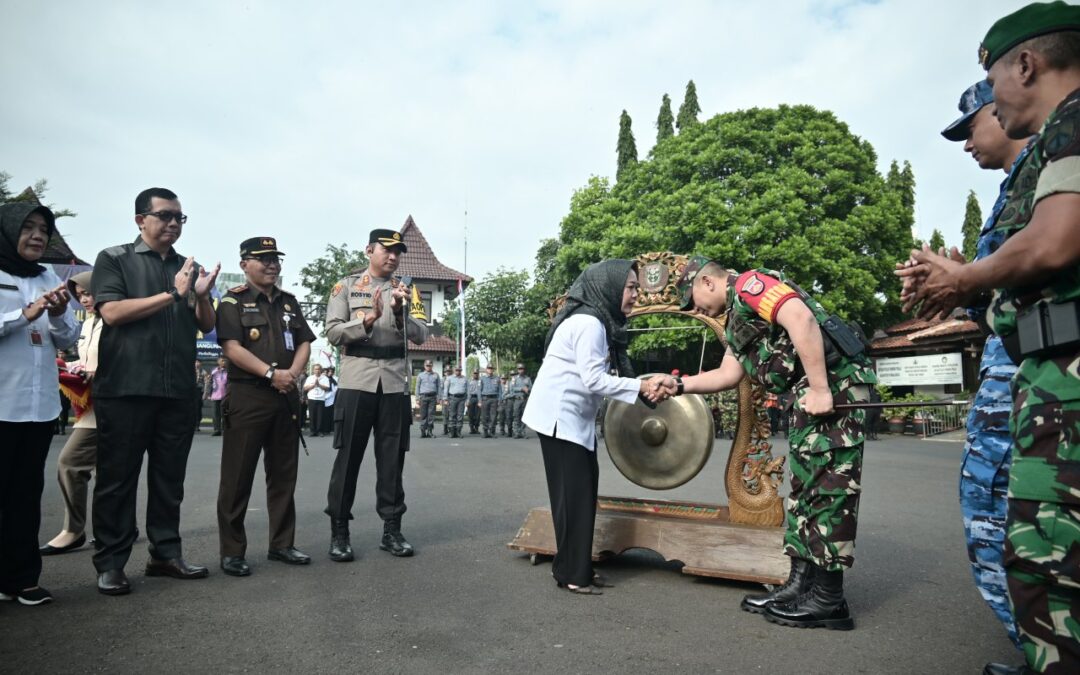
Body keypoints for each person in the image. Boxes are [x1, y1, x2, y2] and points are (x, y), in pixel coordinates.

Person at [898, 6, 1080, 671]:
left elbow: (1056, 241)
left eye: (990, 89)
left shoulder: (1071, 126)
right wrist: (965, 284)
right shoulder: (1045, 153)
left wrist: (966, 276)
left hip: (1059, 385)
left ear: (1024, 66)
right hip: (1040, 374)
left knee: (1042, 555)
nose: (983, 126)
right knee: (1038, 558)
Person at [652, 256, 877, 629]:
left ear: (707, 282)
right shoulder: (737, 318)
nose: (695, 309)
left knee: (829, 489)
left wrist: (821, 388)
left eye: (692, 300)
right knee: (805, 490)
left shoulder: (750, 286)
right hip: (809, 396)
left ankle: (829, 600)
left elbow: (800, 318)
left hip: (832, 391)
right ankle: (799, 585)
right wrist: (679, 385)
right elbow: (728, 373)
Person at [90, 187, 220, 596]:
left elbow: (205, 324)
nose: (173, 224)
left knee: (169, 480)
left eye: (180, 218)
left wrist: (199, 297)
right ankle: (111, 562)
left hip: (177, 390)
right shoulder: (115, 259)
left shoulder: (187, 266)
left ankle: (165, 554)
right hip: (126, 388)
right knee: (117, 480)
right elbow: (111, 312)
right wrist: (173, 293)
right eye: (165, 216)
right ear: (140, 220)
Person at [941, 78, 1031, 651]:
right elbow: (1005, 303)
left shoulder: (1048, 180)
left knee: (997, 519)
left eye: (970, 127)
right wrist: (965, 289)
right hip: (1012, 378)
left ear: (1001, 110)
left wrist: (968, 278)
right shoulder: (1012, 191)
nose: (966, 143)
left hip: (1029, 387)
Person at [522, 259, 655, 595]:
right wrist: (641, 387)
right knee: (573, 498)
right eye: (630, 287)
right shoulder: (589, 323)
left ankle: (574, 565)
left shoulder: (597, 322)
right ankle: (572, 572)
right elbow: (594, 379)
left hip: (571, 421)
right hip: (559, 419)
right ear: (608, 288)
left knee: (579, 497)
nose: (635, 295)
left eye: (637, 288)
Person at [324, 228, 430, 561]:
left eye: (398, 252)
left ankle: (392, 529)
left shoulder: (407, 290)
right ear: (369, 250)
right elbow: (332, 331)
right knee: (348, 459)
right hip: (357, 381)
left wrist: (399, 313)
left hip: (395, 384)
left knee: (392, 461)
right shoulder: (347, 286)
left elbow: (422, 336)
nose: (394, 256)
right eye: (387, 250)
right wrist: (367, 321)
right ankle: (339, 532)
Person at [214, 237, 316, 577]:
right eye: (263, 259)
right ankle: (232, 551)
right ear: (244, 264)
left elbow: (304, 342)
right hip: (249, 395)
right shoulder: (233, 301)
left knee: (284, 474)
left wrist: (292, 375)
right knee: (237, 476)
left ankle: (282, 544)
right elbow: (231, 347)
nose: (271, 265)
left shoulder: (289, 302)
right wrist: (272, 373)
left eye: (275, 259)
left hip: (285, 395)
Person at [0, 203, 79, 605]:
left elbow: (66, 339)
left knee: (25, 496)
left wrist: (62, 314)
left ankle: (22, 579)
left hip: (39, 405)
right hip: (2, 402)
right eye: (28, 227)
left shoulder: (48, 276)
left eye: (43, 229)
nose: (37, 235)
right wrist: (24, 313)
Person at [41, 271, 101, 557]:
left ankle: (74, 531)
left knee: (69, 463)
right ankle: (114, 528)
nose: (85, 299)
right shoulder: (89, 323)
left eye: (89, 293)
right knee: (108, 472)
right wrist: (73, 367)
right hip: (90, 405)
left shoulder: (117, 321)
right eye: (80, 295)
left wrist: (93, 372)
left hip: (109, 405)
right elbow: (89, 358)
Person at [415, 360, 440, 438]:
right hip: (423, 397)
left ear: (432, 366)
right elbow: (417, 387)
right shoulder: (420, 375)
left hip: (433, 397)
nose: (428, 367)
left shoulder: (436, 375)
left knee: (431, 415)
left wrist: (438, 398)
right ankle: (423, 431)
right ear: (424, 366)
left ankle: (430, 431)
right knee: (423, 415)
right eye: (427, 365)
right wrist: (417, 398)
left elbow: (439, 387)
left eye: (430, 365)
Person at [303, 364, 329, 437]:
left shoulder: (325, 378)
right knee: (312, 415)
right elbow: (305, 388)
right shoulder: (309, 378)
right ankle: (312, 431)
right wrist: (313, 385)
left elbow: (327, 388)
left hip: (321, 399)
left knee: (320, 416)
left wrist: (319, 385)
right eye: (315, 369)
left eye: (318, 369)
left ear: (321, 370)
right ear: (313, 370)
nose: (317, 371)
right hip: (312, 398)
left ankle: (319, 431)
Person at [508, 363, 532, 439]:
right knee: (516, 416)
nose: (521, 370)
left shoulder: (528, 379)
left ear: (524, 370)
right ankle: (516, 432)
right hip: (517, 400)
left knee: (523, 416)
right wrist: (521, 389)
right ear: (517, 370)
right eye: (519, 369)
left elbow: (531, 389)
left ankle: (523, 432)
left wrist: (528, 390)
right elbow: (512, 389)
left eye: (522, 369)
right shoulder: (514, 378)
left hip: (524, 400)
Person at [443, 365, 468, 438]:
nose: (458, 371)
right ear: (454, 370)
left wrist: (467, 400)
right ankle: (451, 432)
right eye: (457, 370)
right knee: (452, 415)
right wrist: (445, 399)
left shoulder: (465, 379)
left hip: (462, 399)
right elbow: (446, 389)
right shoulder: (449, 378)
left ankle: (458, 432)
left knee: (460, 416)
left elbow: (467, 390)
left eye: (459, 370)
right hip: (452, 398)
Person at [479, 364, 501, 438]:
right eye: (489, 368)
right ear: (486, 369)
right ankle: (485, 431)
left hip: (494, 399)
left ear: (493, 369)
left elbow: (500, 390)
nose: (490, 369)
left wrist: (500, 400)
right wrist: (479, 401)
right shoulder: (482, 378)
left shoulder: (497, 378)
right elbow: (479, 390)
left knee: (493, 416)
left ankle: (492, 431)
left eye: (491, 368)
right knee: (484, 416)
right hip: (485, 399)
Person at [208, 357, 228, 436]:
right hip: (215, 395)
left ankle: (224, 430)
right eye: (222, 360)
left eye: (225, 360)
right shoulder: (214, 371)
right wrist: (208, 394)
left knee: (224, 414)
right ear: (218, 361)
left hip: (225, 396)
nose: (224, 362)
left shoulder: (228, 371)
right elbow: (209, 382)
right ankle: (217, 430)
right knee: (215, 414)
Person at [322, 366, 338, 435]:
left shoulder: (334, 379)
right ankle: (325, 429)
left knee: (330, 414)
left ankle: (330, 428)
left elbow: (335, 388)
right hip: (324, 398)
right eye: (329, 371)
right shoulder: (324, 379)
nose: (330, 373)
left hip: (332, 399)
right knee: (325, 415)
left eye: (332, 372)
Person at [467, 368, 481, 434]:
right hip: (471, 398)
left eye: (477, 373)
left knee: (478, 415)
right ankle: (471, 428)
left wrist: (481, 401)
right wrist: (467, 400)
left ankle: (477, 428)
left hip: (478, 399)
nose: (475, 375)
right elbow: (467, 391)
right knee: (470, 414)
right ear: (473, 374)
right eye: (474, 373)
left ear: (478, 374)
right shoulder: (469, 381)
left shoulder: (481, 381)